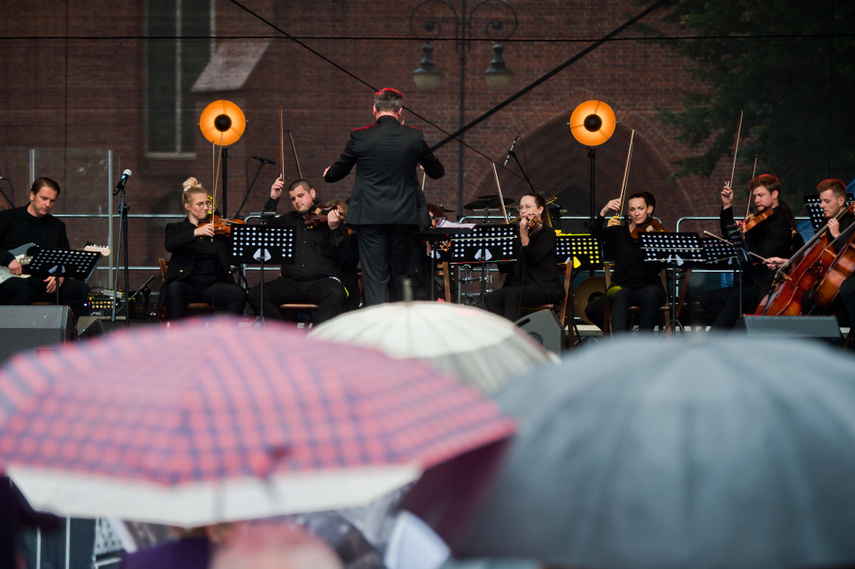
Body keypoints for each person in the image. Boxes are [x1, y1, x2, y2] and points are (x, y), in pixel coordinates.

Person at [323, 87, 445, 306]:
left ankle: (378, 333)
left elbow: (336, 174)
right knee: (400, 275)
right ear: (400, 111)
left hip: (370, 217)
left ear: (374, 110)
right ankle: (398, 329)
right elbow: (438, 171)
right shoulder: (414, 136)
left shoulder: (361, 136)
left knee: (375, 277)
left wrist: (328, 172)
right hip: (404, 217)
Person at [700, 174, 800, 328]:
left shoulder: (780, 223)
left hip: (764, 285)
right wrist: (727, 206)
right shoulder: (759, 218)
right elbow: (729, 235)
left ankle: (717, 338)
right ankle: (735, 334)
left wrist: (745, 237)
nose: (756, 200)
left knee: (735, 296)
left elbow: (762, 255)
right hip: (748, 281)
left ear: (774, 195)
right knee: (708, 299)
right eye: (755, 196)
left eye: (760, 195)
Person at [247, 178, 350, 324]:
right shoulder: (288, 219)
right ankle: (284, 335)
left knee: (337, 293)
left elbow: (344, 255)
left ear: (312, 193)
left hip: (320, 283)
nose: (297, 201)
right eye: (293, 198)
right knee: (256, 294)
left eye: (300, 195)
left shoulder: (328, 219)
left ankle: (314, 339)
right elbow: (265, 228)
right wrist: (273, 198)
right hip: (291, 284)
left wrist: (335, 228)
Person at [763, 178, 855, 325]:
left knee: (809, 299)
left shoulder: (851, 223)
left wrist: (837, 235)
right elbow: (812, 256)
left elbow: (851, 256)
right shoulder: (826, 223)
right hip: (824, 279)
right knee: (807, 298)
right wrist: (788, 261)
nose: (821, 206)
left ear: (841, 201)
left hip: (841, 283)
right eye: (821, 201)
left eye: (826, 201)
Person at [0, 177, 89, 319]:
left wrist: (59, 274)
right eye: (43, 198)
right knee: (23, 288)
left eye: (52, 201)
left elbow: (64, 257)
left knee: (79, 289)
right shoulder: (7, 218)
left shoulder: (57, 226)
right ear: (32, 195)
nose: (47, 204)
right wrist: (8, 259)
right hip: (10, 281)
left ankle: (69, 336)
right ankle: (19, 337)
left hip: (45, 284)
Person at [159, 177, 247, 320]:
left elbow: (232, 254)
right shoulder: (175, 228)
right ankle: (179, 337)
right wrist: (195, 232)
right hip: (187, 285)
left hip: (212, 287)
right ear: (187, 206)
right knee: (173, 289)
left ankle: (223, 335)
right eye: (200, 204)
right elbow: (170, 245)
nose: (205, 207)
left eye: (207, 203)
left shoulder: (216, 231)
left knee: (239, 294)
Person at [585, 191, 666, 333]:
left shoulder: (655, 234)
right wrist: (604, 211)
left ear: (649, 209)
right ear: (628, 212)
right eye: (632, 209)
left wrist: (653, 241)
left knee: (652, 294)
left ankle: (643, 345)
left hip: (648, 286)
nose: (637, 213)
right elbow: (595, 233)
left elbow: (660, 264)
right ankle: (622, 346)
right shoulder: (620, 232)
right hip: (621, 286)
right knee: (620, 295)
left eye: (641, 208)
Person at [485, 193, 565, 321]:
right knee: (491, 298)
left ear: (540, 209)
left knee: (513, 293)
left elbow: (533, 258)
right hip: (519, 286)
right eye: (521, 207)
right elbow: (504, 267)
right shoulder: (517, 234)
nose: (523, 211)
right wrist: (500, 250)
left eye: (528, 207)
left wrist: (524, 236)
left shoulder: (547, 234)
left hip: (543, 287)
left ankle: (511, 336)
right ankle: (501, 333)